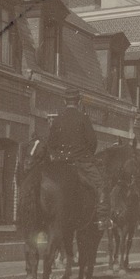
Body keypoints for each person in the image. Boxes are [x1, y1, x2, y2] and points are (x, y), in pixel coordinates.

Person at [47, 88, 109, 228]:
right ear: (79, 102)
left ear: (64, 101)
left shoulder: (57, 119)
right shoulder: (83, 118)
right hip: (81, 162)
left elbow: (50, 143)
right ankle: (101, 218)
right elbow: (92, 142)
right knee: (101, 184)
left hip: (60, 162)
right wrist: (86, 154)